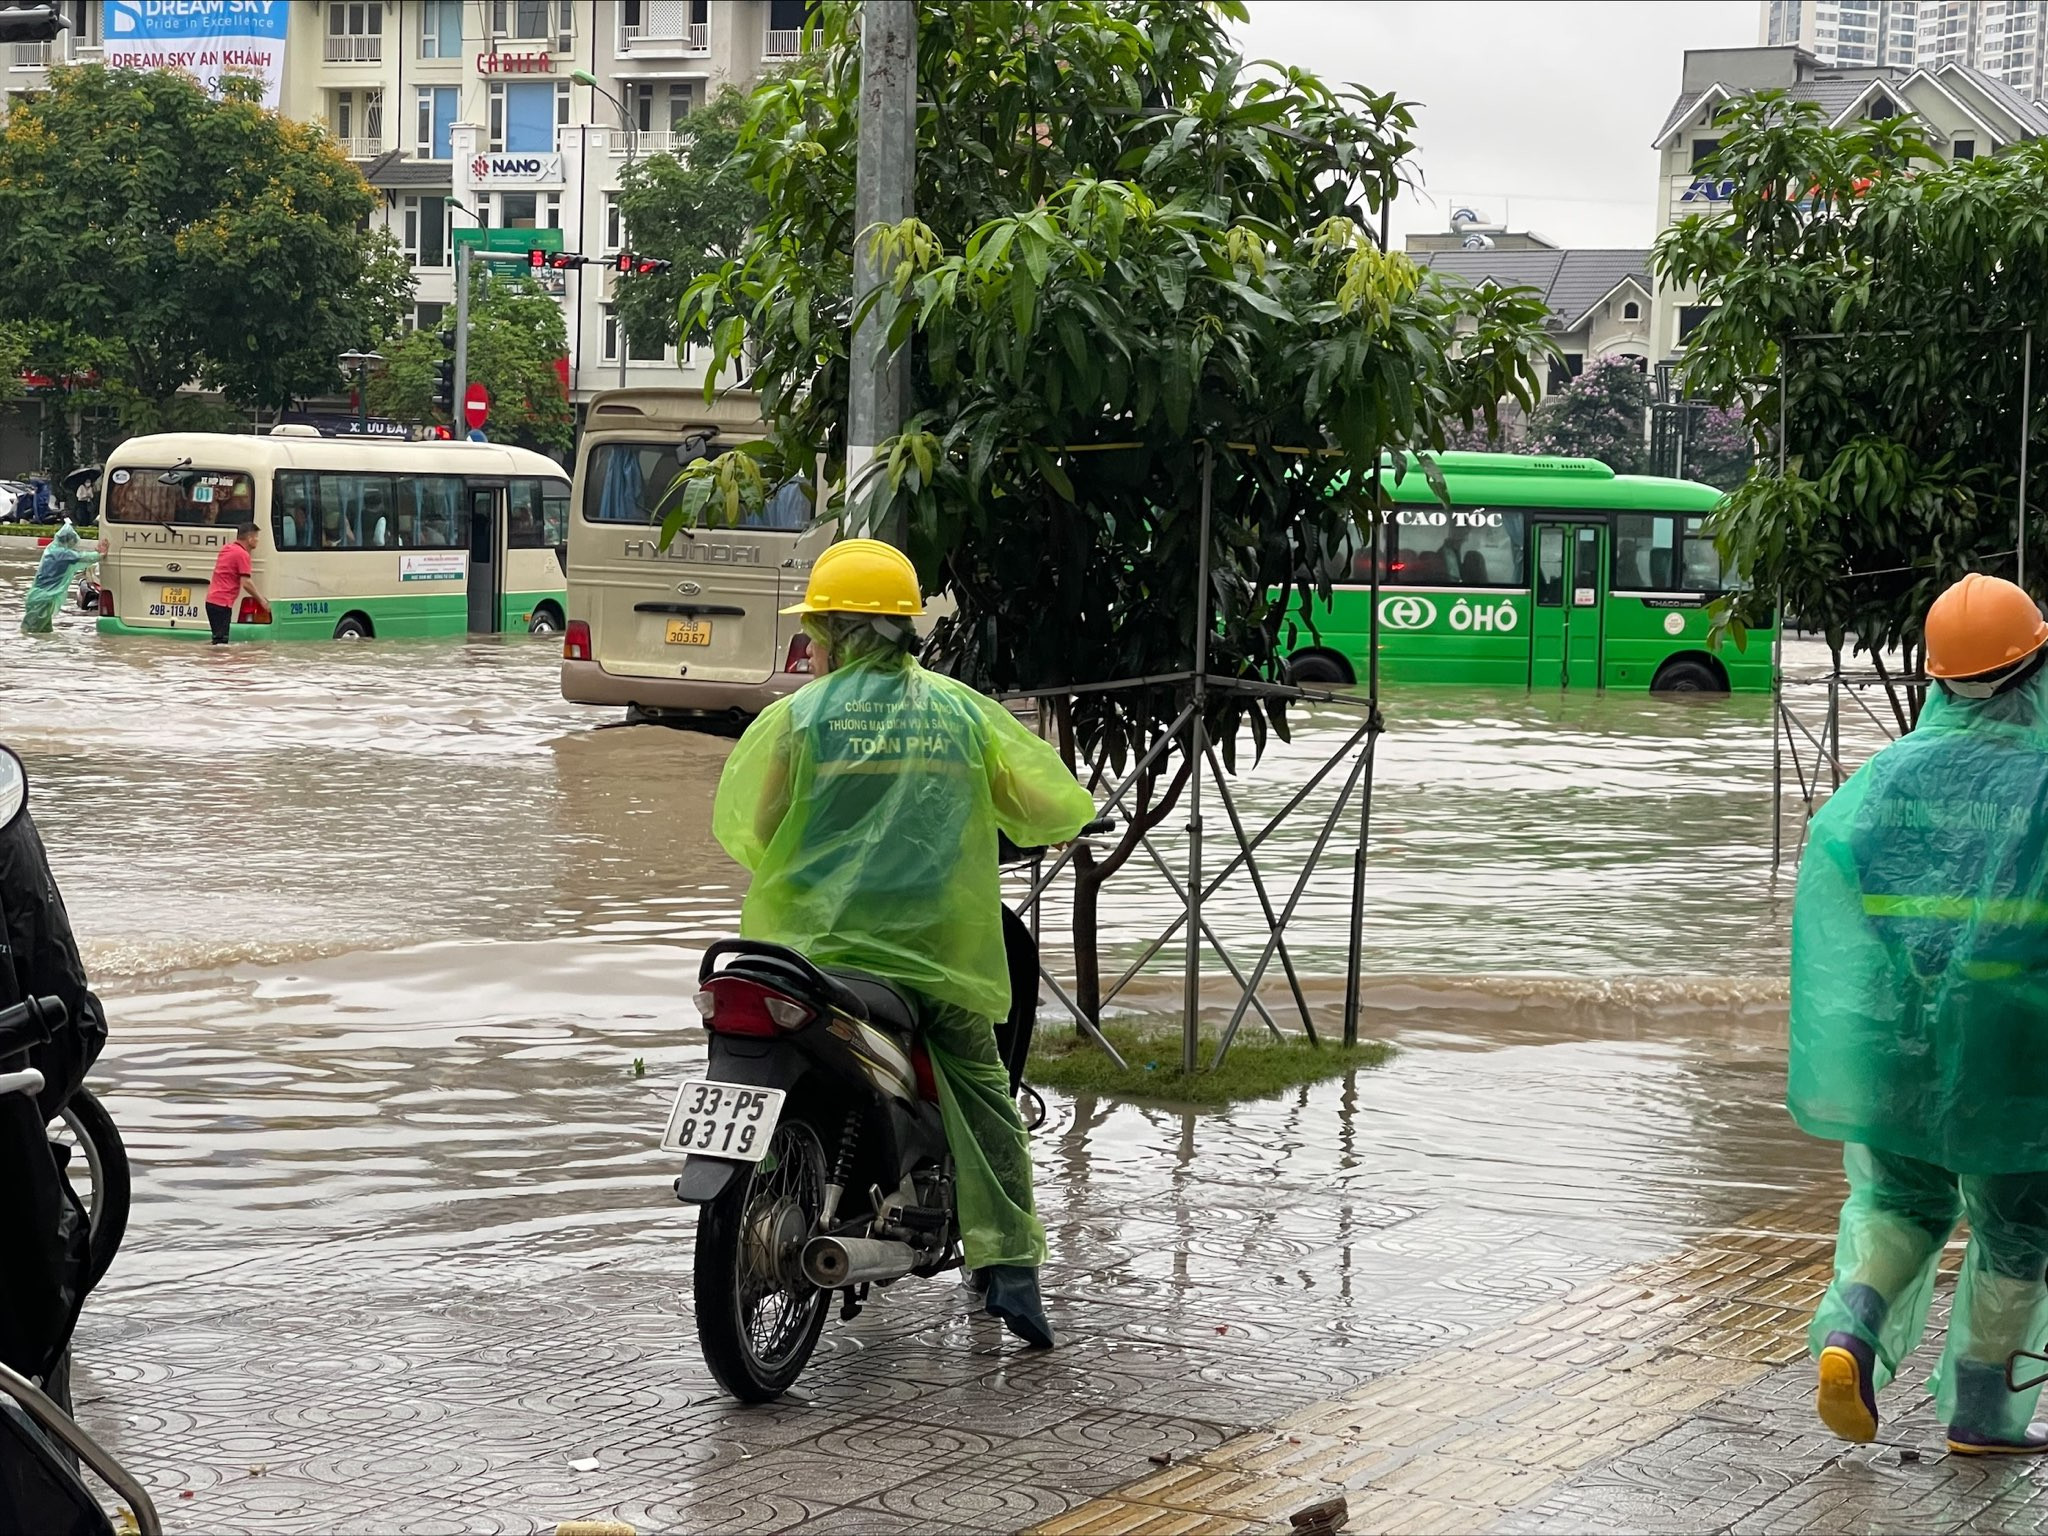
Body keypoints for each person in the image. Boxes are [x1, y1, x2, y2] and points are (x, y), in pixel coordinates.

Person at [711, 539, 1093, 1350]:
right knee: (984, 1090)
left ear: (834, 633)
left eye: (815, 631)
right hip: (934, 959)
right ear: (900, 630)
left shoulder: (797, 718)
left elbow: (758, 831)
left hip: (804, 954)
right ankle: (1011, 1267)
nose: (812, 645)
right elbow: (1046, 806)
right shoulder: (960, 712)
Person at [1793, 571, 2048, 1455]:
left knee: (1900, 1200)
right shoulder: (2047, 782)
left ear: (1938, 677)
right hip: (2018, 1042)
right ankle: (1983, 1410)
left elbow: (1841, 880)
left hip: (1894, 1032)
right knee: (2019, 1226)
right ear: (2034, 669)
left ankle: (1851, 1332)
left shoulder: (1887, 776)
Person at [18, 522, 103, 635]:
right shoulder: (62, 554)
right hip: (43, 600)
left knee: (43, 633)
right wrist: (100, 553)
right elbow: (83, 557)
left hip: (37, 597)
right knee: (30, 633)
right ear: (69, 541)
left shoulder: (51, 550)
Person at [205, 522, 265, 645]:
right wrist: (262, 601)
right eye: (256, 537)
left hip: (211, 601)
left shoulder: (227, 548)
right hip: (222, 604)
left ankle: (211, 662)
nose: (258, 541)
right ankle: (214, 663)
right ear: (250, 538)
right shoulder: (242, 555)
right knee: (221, 644)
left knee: (218, 640)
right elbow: (246, 583)